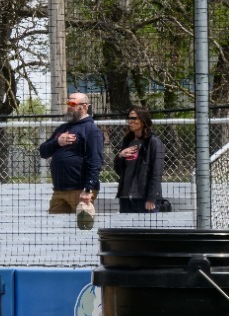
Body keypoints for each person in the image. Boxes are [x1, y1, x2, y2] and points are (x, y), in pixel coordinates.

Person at [39, 92, 103, 228]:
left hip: (80, 191)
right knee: (55, 229)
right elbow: (43, 151)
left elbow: (95, 161)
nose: (69, 107)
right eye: (68, 103)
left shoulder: (91, 129)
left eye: (73, 104)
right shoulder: (63, 129)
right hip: (59, 190)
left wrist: (88, 189)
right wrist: (58, 141)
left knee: (83, 229)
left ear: (84, 106)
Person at [113, 105, 164, 215]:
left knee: (145, 232)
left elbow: (156, 172)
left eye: (134, 118)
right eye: (129, 119)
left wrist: (151, 198)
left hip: (144, 198)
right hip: (126, 197)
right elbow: (118, 170)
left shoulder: (154, 142)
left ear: (143, 121)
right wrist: (120, 156)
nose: (130, 122)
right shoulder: (127, 141)